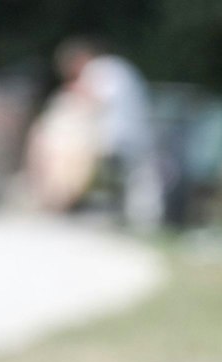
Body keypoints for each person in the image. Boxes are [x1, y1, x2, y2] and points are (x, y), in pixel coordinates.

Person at [21, 36, 165, 230]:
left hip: (118, 139)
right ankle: (60, 197)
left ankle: (59, 197)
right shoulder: (116, 67)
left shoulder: (100, 68)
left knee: (61, 145)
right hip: (129, 137)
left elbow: (93, 100)